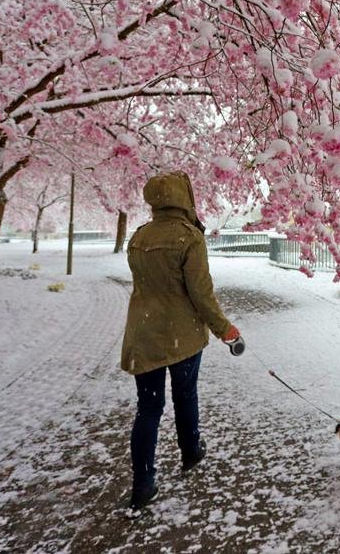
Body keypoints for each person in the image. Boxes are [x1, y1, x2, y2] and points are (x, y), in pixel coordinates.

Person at [120, 171, 241, 510]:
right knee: (185, 395)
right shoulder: (189, 237)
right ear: (183, 197)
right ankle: (190, 452)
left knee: (148, 408)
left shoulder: (139, 236)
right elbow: (201, 294)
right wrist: (225, 329)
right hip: (182, 335)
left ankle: (143, 484)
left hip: (144, 333)